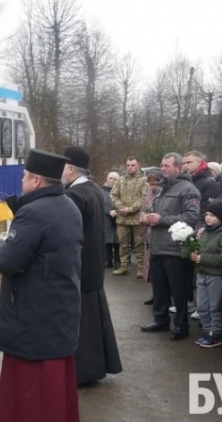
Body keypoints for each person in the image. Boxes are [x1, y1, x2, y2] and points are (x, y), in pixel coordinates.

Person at [0, 148, 83, 422]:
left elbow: (7, 262)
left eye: (25, 177)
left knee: (28, 392)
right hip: (59, 311)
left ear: (37, 181)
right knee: (52, 391)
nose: (22, 181)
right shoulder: (68, 206)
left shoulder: (33, 212)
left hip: (33, 317)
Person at [62, 146, 122, 385]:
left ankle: (83, 372)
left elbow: (68, 234)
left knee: (84, 324)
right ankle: (95, 367)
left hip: (81, 267)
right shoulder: (93, 189)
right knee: (93, 322)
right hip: (93, 265)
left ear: (70, 168)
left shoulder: (74, 195)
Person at [140, 153, 201, 340]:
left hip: (175, 248)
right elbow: (155, 212)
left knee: (178, 290)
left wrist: (162, 219)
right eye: (162, 165)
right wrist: (147, 217)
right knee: (159, 289)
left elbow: (191, 217)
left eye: (167, 165)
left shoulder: (188, 189)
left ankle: (181, 325)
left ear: (178, 167)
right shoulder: (161, 188)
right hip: (157, 245)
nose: (163, 169)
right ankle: (160, 320)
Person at [189, 202, 222, 348]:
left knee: (215, 307)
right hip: (201, 274)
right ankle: (207, 331)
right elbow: (198, 250)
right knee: (202, 307)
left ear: (221, 217)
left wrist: (201, 258)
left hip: (216, 276)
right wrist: (193, 254)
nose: (207, 218)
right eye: (206, 214)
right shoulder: (205, 232)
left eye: (212, 215)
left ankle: (215, 334)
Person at [110, 156, 149, 277]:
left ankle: (142, 268)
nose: (130, 167)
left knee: (140, 244)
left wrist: (130, 209)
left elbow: (145, 198)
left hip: (137, 218)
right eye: (128, 165)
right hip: (122, 218)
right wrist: (121, 207)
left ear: (138, 166)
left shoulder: (144, 180)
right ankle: (124, 266)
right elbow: (113, 195)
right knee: (123, 244)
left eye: (132, 165)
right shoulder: (121, 180)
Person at [102, 171, 121, 269]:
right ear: (107, 178)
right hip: (106, 219)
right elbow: (98, 205)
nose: (112, 180)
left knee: (118, 241)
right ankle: (107, 260)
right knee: (107, 241)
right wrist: (108, 211)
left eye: (114, 179)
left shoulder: (122, 192)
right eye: (110, 178)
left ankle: (118, 260)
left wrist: (117, 211)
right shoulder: (100, 192)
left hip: (119, 219)